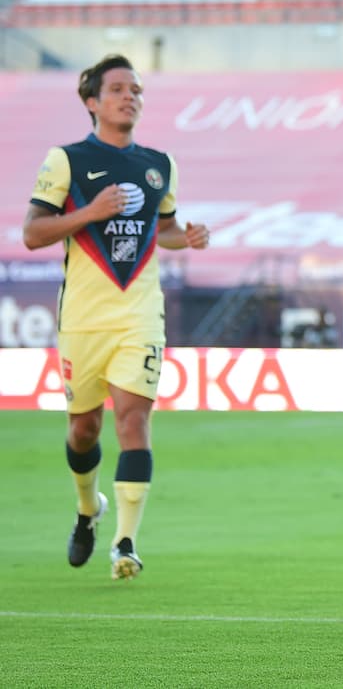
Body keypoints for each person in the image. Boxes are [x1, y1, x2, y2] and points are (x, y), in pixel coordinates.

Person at [23, 54, 210, 581]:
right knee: (84, 429)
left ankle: (126, 543)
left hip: (140, 313)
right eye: (119, 89)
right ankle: (88, 510)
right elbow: (33, 234)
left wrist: (185, 238)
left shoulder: (159, 164)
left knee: (134, 420)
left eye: (137, 90)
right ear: (92, 102)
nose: (131, 97)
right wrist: (90, 212)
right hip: (83, 318)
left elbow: (163, 229)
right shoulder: (66, 160)